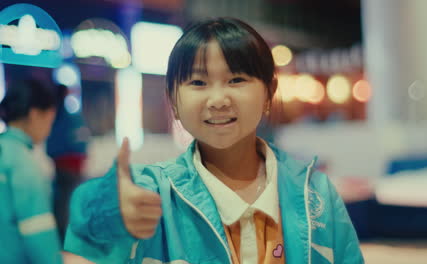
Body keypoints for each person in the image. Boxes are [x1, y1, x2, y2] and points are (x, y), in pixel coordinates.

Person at [65, 17, 364, 264]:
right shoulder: (153, 191)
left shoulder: (316, 193)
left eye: (236, 80)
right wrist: (110, 209)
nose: (218, 99)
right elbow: (84, 218)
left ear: (268, 94)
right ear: (174, 101)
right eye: (198, 82)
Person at [0, 78, 63, 264]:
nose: (49, 131)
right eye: (50, 120)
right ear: (35, 114)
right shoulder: (23, 161)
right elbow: (37, 227)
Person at [46, 84, 89, 242]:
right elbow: (83, 141)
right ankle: (68, 237)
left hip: (65, 166)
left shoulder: (58, 117)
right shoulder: (70, 117)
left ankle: (65, 236)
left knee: (64, 202)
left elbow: (51, 146)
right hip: (71, 166)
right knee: (68, 202)